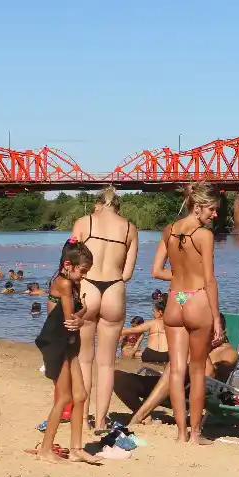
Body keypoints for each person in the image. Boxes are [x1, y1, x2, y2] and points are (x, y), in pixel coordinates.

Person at [152, 181, 222, 444]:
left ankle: (180, 433)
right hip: (196, 298)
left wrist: (180, 275)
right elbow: (210, 280)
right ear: (198, 206)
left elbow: (156, 271)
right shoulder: (204, 235)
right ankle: (195, 434)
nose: (214, 214)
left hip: (175, 299)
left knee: (176, 370)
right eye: (212, 209)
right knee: (197, 371)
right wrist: (216, 318)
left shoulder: (169, 230)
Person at [71, 185, 140, 432]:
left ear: (97, 204)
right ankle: (101, 421)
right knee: (107, 364)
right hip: (114, 289)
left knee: (84, 360)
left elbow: (69, 262)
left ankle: (82, 419)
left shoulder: (84, 222)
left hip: (88, 287)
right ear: (118, 207)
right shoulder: (130, 228)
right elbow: (128, 273)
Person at [117, 314, 239, 426]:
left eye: (207, 331)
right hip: (169, 384)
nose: (201, 335)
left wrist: (200, 347)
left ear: (222, 332)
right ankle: (145, 416)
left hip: (191, 394)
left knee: (175, 367)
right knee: (117, 378)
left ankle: (139, 416)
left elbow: (209, 376)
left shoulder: (229, 353)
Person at [34, 243, 94, 463]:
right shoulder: (65, 283)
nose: (84, 276)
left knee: (81, 395)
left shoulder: (72, 282)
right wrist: (82, 317)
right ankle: (45, 449)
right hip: (56, 343)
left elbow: (78, 312)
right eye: (83, 271)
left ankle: (76, 449)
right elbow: (70, 320)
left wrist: (82, 316)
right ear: (68, 265)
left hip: (67, 343)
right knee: (65, 397)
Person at [121, 300, 168, 365]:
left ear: (160, 312)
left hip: (150, 353)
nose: (153, 313)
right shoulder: (170, 324)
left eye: (154, 311)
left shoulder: (151, 323)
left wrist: (117, 332)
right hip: (165, 355)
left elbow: (132, 330)